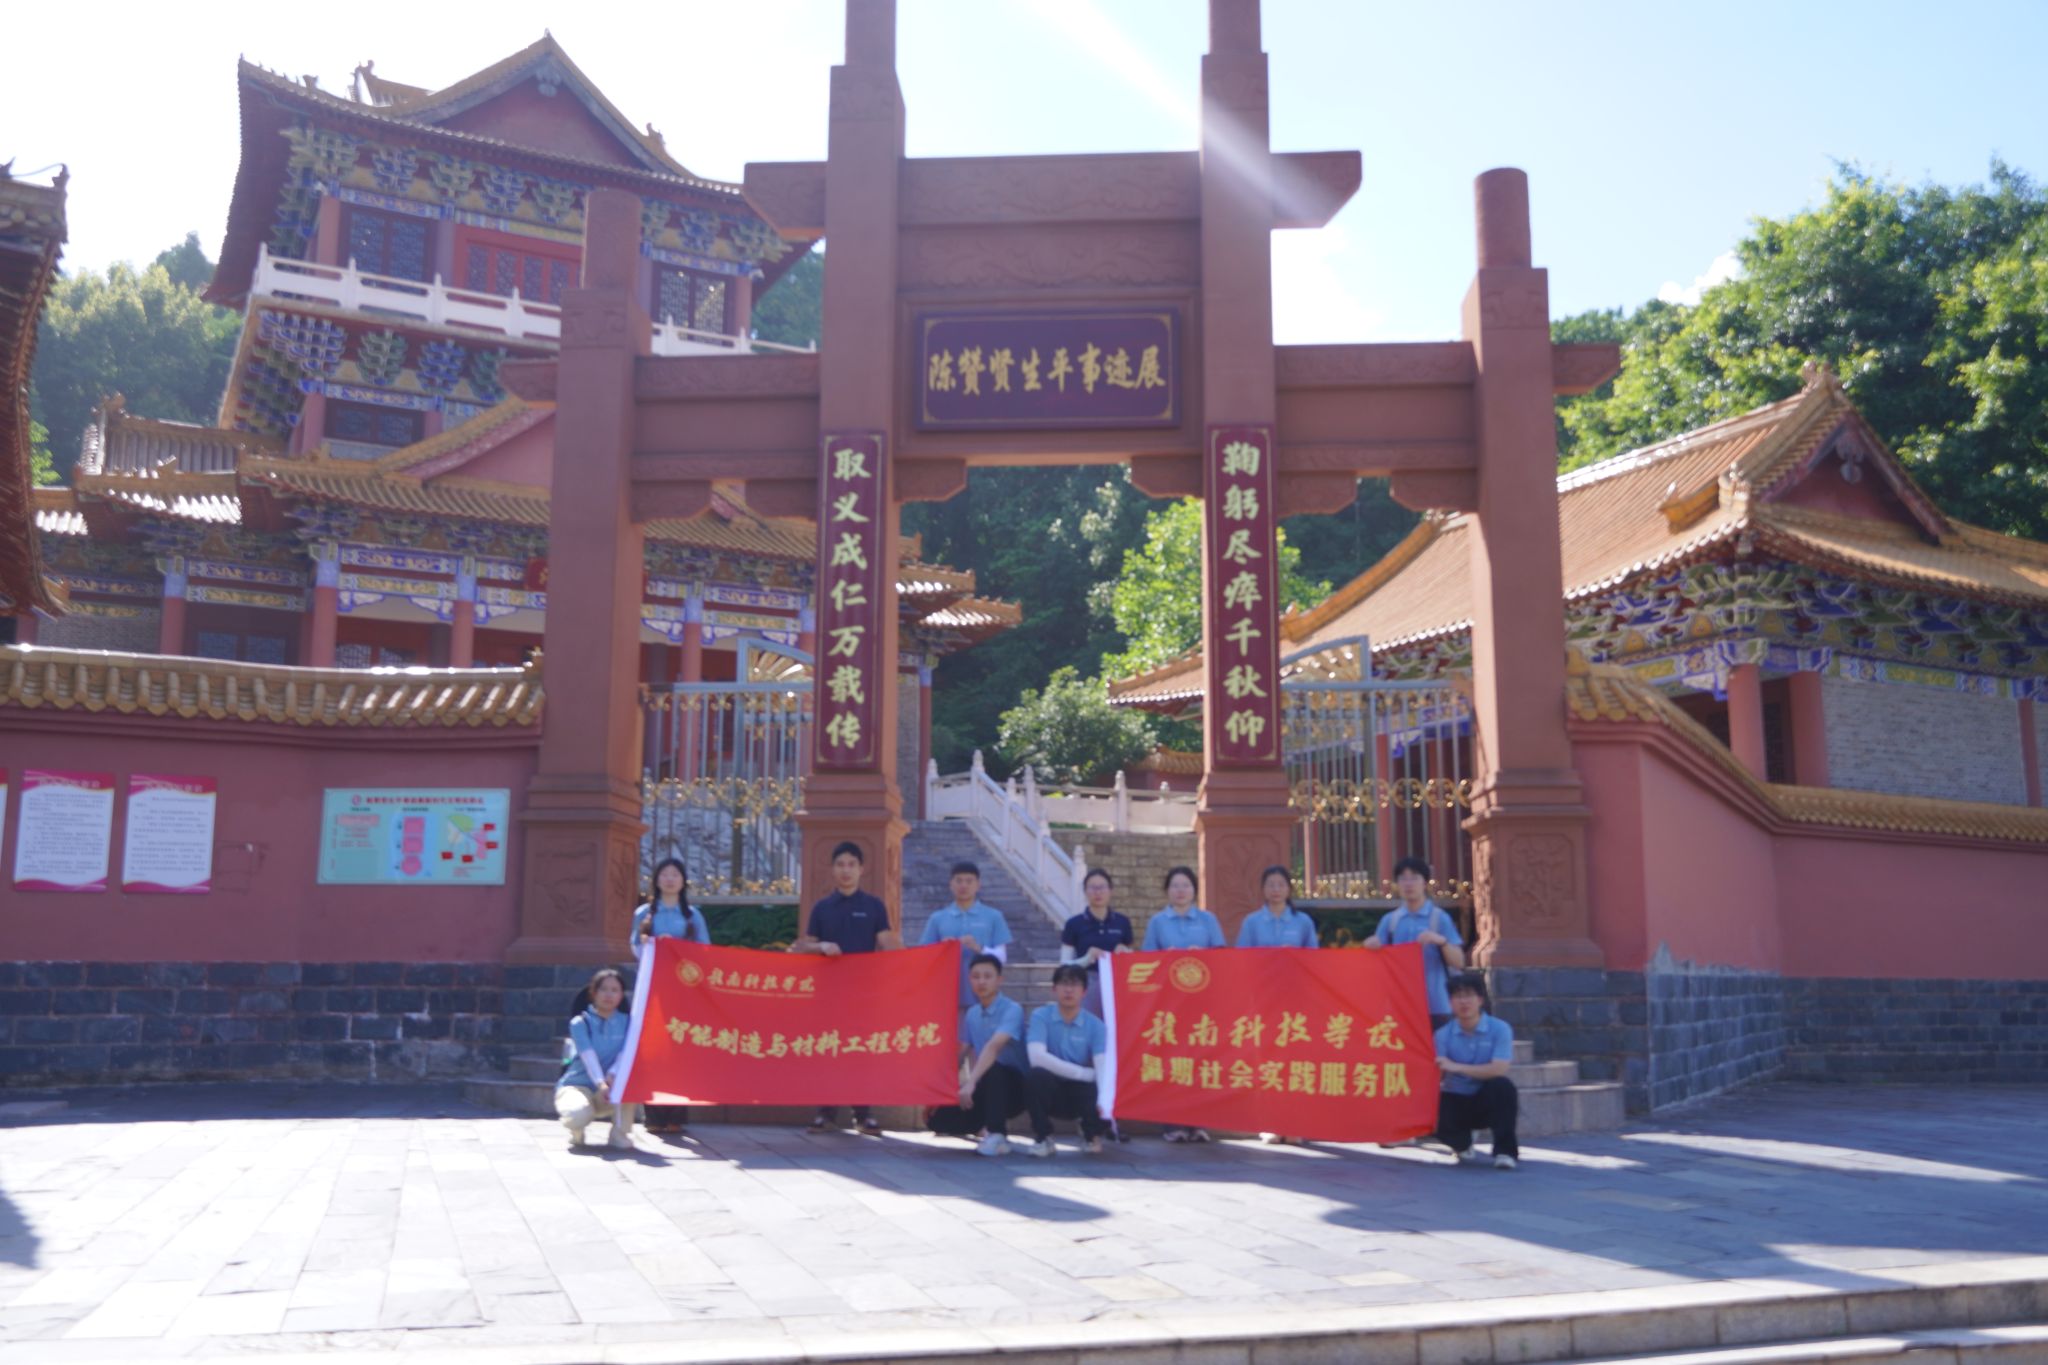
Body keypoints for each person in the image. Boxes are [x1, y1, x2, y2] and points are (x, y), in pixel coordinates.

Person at [794, 840, 902, 1135]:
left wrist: (919, 960)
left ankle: (863, 1114)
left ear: (861, 869)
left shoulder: (874, 906)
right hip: (828, 994)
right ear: (832, 869)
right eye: (840, 865)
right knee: (828, 1050)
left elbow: (887, 942)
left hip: (864, 993)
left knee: (860, 1051)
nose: (846, 870)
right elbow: (804, 946)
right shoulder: (822, 908)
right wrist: (821, 946)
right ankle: (825, 1113)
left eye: (851, 865)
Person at [1236, 866, 1317, 1144]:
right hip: (1264, 1001)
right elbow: (1241, 960)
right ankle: (1270, 1122)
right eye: (1270, 884)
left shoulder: (1302, 922)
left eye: (1281, 884)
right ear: (1263, 889)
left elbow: (1315, 961)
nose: (1275, 889)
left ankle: (1295, 1122)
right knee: (1267, 1061)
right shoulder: (1252, 922)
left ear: (1289, 889)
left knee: (1296, 1062)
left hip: (1296, 1002)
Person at [1142, 865, 1224, 1143]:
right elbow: (1147, 960)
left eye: (1186, 885)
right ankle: (1172, 1124)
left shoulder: (1208, 920)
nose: (1181, 891)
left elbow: (1224, 958)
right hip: (1169, 1004)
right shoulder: (1158, 922)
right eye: (1175, 885)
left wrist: (1204, 956)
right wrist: (1166, 958)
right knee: (1172, 1060)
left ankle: (1198, 1123)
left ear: (1194, 890)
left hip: (1203, 1003)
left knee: (1201, 1061)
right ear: (1167, 890)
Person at [630, 857, 710, 1135]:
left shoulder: (692, 915)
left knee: (680, 1049)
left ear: (683, 881)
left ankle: (677, 1115)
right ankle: (652, 1114)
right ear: (656, 880)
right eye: (664, 874)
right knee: (652, 1048)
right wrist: (652, 946)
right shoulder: (644, 913)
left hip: (683, 991)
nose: (670, 879)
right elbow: (634, 947)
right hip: (653, 989)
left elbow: (704, 950)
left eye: (675, 874)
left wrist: (678, 949)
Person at [926, 954, 1028, 1156]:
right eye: (976, 976)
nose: (981, 982)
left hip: (1016, 1089)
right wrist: (937, 1092)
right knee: (938, 1120)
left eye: (987, 976)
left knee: (994, 1069)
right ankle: (984, 1124)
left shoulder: (1012, 1009)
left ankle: (997, 1135)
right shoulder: (972, 1013)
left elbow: (993, 1047)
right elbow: (961, 1053)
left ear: (999, 980)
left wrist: (970, 1082)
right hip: (986, 1085)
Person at [1367, 855, 1467, 1029]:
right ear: (1397, 884)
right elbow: (1374, 964)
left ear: (1425, 882)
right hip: (1399, 1005)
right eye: (1403, 879)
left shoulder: (1439, 918)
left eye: (1414, 878)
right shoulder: (1390, 921)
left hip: (1436, 1004)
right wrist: (1369, 947)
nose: (1408, 884)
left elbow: (1459, 962)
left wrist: (1441, 942)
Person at [1434, 972, 1519, 1170]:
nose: (1464, 1001)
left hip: (1485, 1098)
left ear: (1480, 999)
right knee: (1430, 1108)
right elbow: (1438, 1070)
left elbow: (1499, 1068)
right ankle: (1462, 1143)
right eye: (1458, 996)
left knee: (1503, 1087)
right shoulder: (1442, 1035)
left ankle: (1505, 1152)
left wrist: (1457, 1067)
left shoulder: (1500, 1029)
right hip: (1455, 1096)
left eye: (1469, 995)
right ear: (1450, 1002)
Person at [1023, 964, 1110, 1156]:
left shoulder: (1096, 1025)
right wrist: (1084, 1074)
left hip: (1079, 1092)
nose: (1069, 990)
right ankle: (1043, 1137)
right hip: (1051, 1089)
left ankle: (1091, 1134)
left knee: (1104, 1085)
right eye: (1063, 983)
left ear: (1084, 991)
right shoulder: (1041, 1016)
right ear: (1054, 989)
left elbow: (1102, 1065)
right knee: (1035, 1076)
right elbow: (1036, 1057)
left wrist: (1103, 1098)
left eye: (1075, 984)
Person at [556, 967, 638, 1151]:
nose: (609, 995)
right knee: (577, 1114)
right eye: (603, 989)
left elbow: (626, 1053)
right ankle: (577, 1130)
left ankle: (619, 1134)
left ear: (621, 995)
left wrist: (613, 1074)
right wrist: (601, 1083)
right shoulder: (580, 1022)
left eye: (615, 990)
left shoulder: (629, 1023)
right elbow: (588, 1056)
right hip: (578, 1086)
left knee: (630, 1081)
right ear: (593, 993)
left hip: (609, 1089)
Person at [918, 861, 1013, 1007]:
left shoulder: (994, 916)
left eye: (969, 881)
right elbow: (922, 956)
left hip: (982, 996)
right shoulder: (937, 918)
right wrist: (941, 948)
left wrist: (979, 948)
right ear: (951, 884)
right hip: (945, 995)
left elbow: (1002, 957)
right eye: (959, 881)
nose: (964, 886)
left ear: (978, 885)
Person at [1058, 867, 1133, 1020]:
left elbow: (1133, 961)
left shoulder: (1122, 922)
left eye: (1102, 887)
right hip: (1087, 982)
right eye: (1092, 888)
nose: (1097, 892)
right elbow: (1064, 965)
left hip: (1117, 983)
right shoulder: (1074, 924)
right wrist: (1087, 958)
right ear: (1085, 891)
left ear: (1110, 890)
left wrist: (1125, 951)